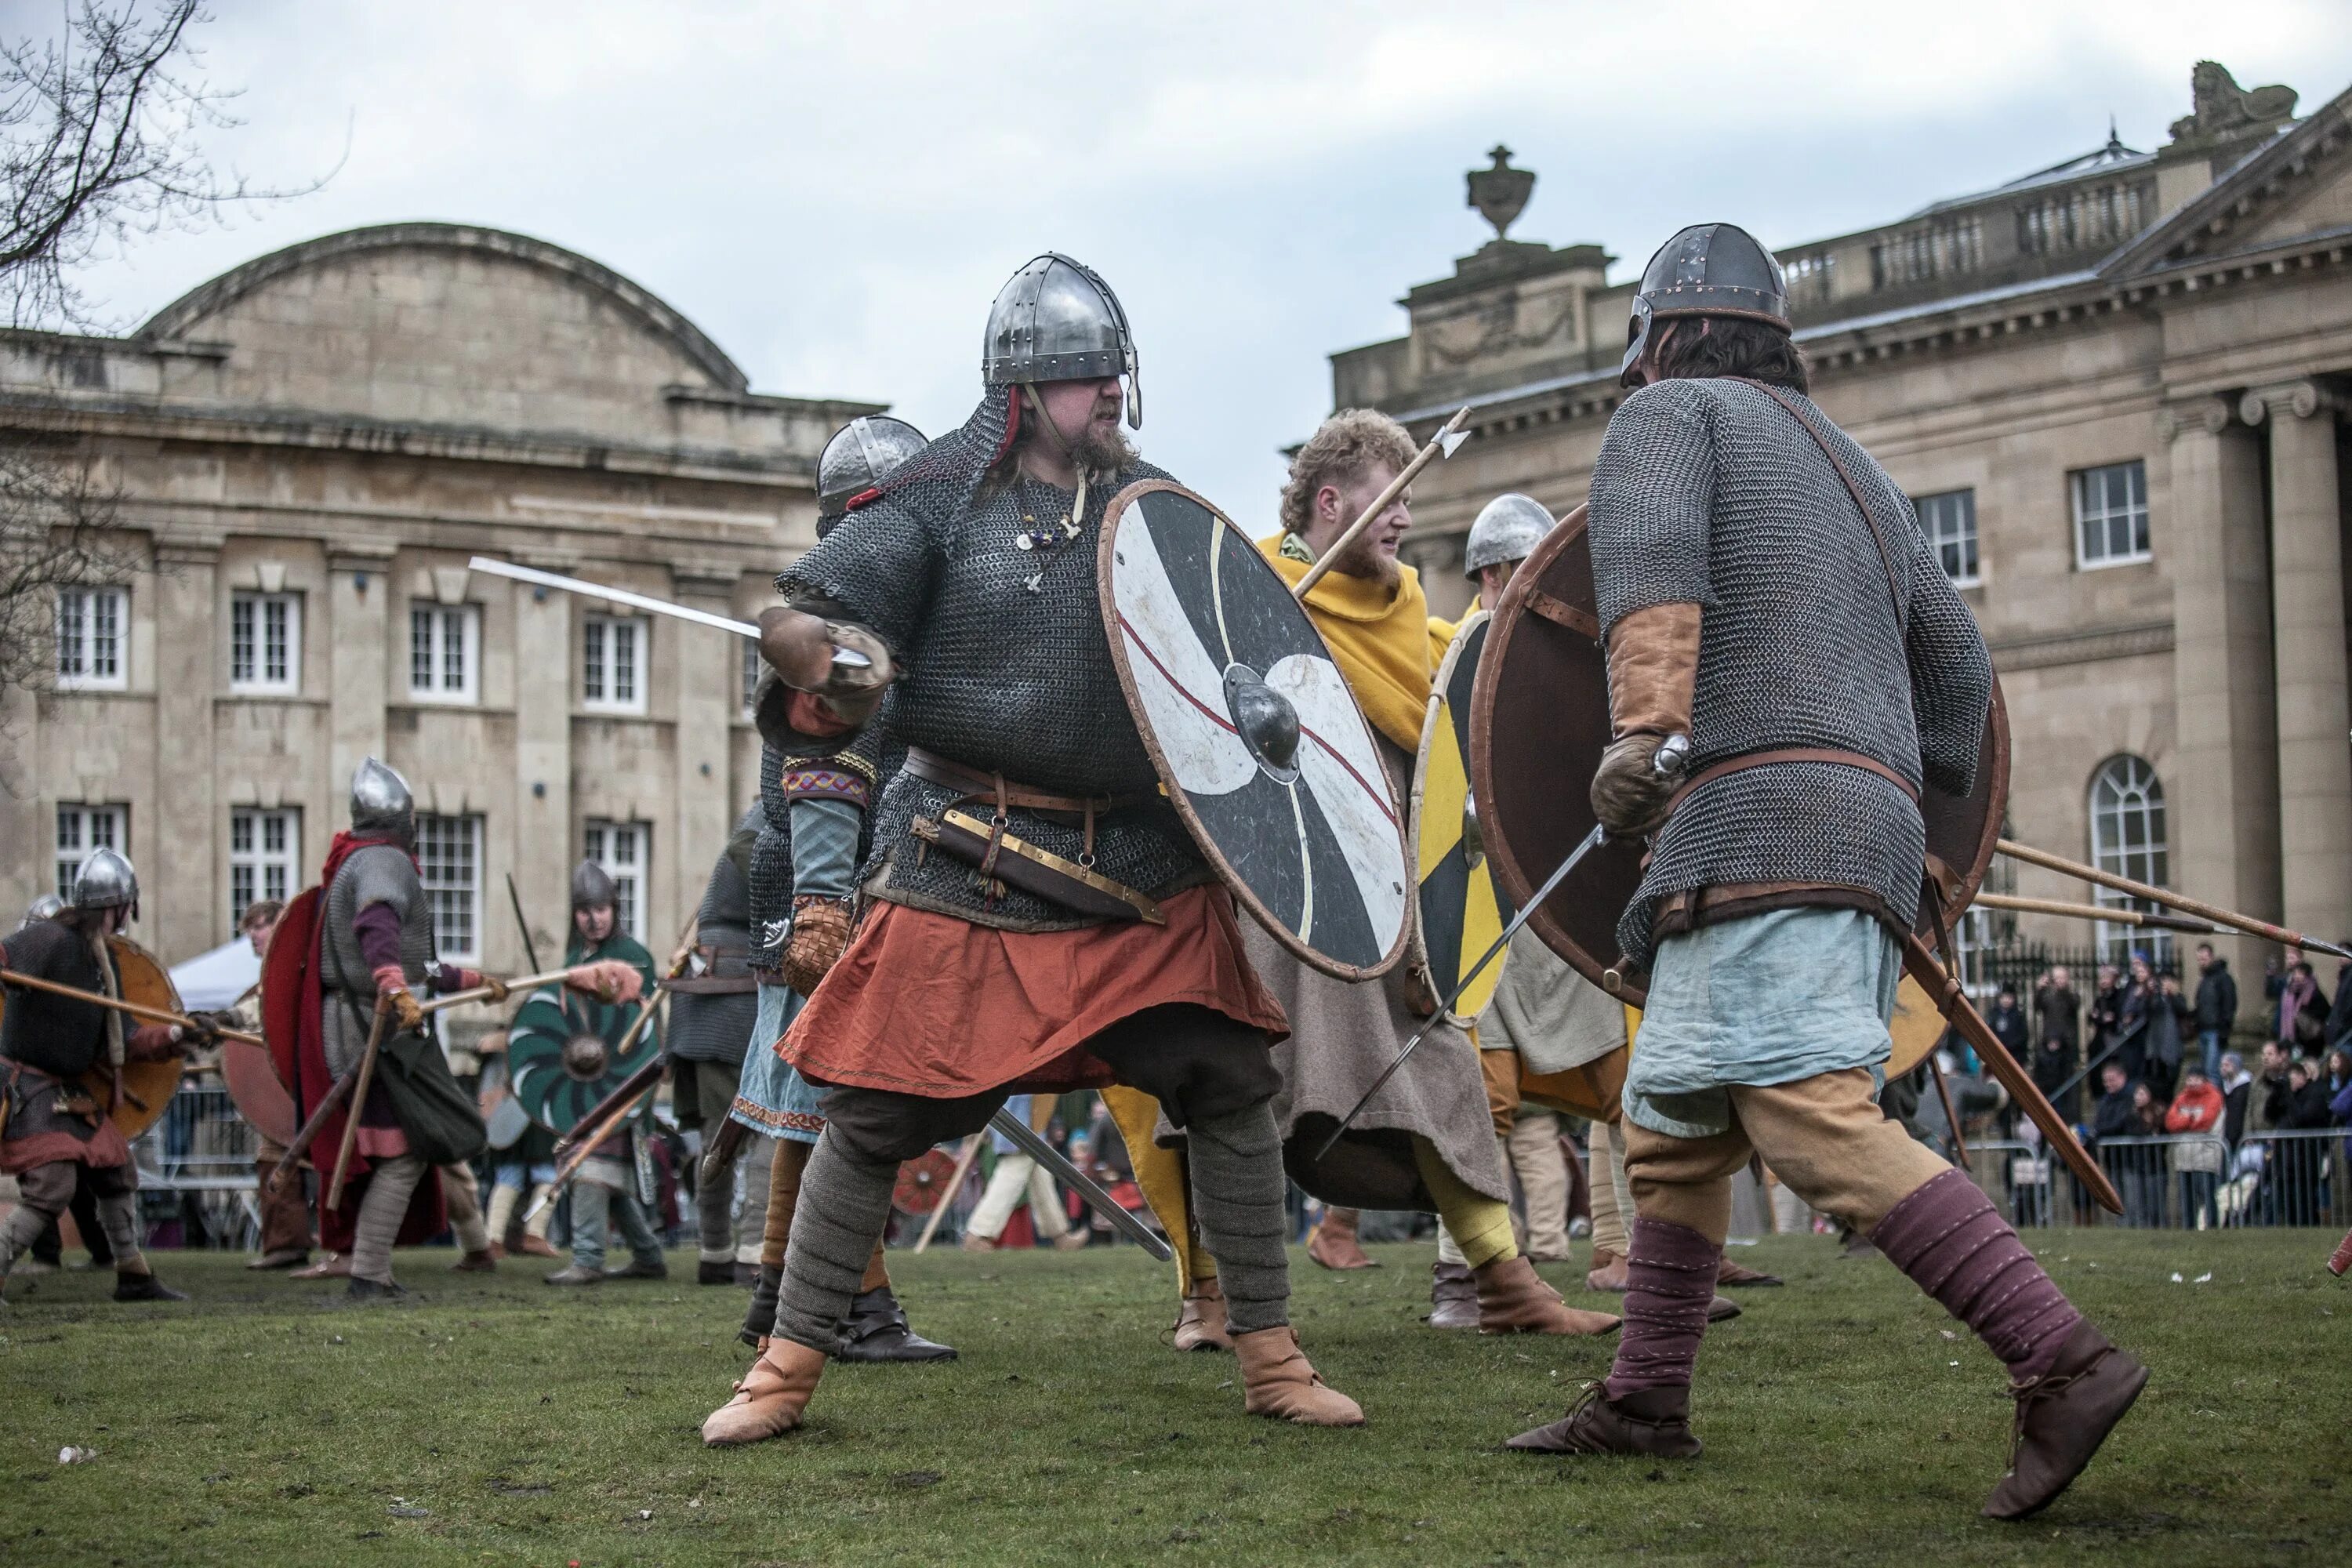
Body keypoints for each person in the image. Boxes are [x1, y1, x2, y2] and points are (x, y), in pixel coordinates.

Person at [1501, 224, 2143, 1522]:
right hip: (1847, 816)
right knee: (1674, 1127)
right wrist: (1900, 796)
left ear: (1661, 341)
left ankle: (2061, 1359)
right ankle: (1646, 1397)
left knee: (1805, 1114)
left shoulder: (1669, 418)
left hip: (1757, 810)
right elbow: (1959, 672)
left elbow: (1658, 570)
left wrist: (1642, 734)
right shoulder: (1855, 466)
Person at [706, 256, 1364, 1447]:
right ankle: (784, 1368)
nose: (1107, 391)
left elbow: (1239, 690)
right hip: (974, 863)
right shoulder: (931, 508)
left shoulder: (1154, 508)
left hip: (1146, 873)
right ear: (1020, 388)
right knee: (867, 1114)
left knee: (1227, 1085)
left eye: (1114, 371)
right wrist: (810, 653)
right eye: (1081, 375)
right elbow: (823, 673)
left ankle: (1268, 1354)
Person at [1208, 418, 1614, 1337]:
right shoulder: (1253, 582)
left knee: (1433, 1053)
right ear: (1330, 501)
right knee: (1232, 1085)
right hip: (1289, 873)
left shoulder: (1411, 617)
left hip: (1388, 881)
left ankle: (1500, 1278)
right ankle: (1215, 1295)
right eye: (1389, 500)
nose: (1402, 521)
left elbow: (1462, 717)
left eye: (1407, 501)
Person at [725, 415, 954, 1365]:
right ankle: (853, 1307)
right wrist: (828, 902)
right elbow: (826, 774)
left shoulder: (854, 615)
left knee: (813, 1109)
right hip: (833, 894)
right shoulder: (839, 628)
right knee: (848, 1111)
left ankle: (780, 1289)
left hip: (823, 886)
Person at [285, 760, 572, 1298]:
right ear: (403, 818)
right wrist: (393, 987)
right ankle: (370, 1273)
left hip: (367, 1025)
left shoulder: (354, 859)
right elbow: (377, 930)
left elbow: (421, 965)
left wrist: (474, 980)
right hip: (373, 1031)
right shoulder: (383, 863)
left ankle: (376, 1269)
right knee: (408, 1146)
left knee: (399, 1147)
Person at [0, 850, 197, 1304]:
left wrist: (175, 1033)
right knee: (53, 1187)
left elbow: (123, 1036)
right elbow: (7, 958)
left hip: (65, 1087)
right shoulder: (51, 938)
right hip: (28, 1086)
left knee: (115, 1169)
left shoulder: (101, 962)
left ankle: (132, 1275)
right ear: (122, 905)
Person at [537, 862, 665, 1287]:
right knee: (601, 1172)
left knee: (592, 1166)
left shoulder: (634, 958)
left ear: (615, 908)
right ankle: (647, 1255)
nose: (594, 919)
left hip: (621, 1081)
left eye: (602, 908)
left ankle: (588, 1258)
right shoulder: (572, 961)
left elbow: (643, 1023)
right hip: (582, 1083)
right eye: (584, 910)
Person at [666, 805, 772, 1287]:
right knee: (771, 1124)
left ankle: (717, 1253)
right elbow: (746, 851)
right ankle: (748, 1252)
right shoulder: (772, 814)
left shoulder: (764, 811)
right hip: (735, 995)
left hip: (719, 992)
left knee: (722, 1136)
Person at [227, 898, 317, 1271]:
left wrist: (230, 1016)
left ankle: (351, 1247)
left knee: (338, 1163)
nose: (252, 934)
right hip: (286, 1090)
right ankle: (286, 1245)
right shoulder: (269, 978)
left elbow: (268, 1009)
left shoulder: (302, 965)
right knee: (273, 1158)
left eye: (260, 925)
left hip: (318, 1083)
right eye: (249, 927)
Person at [962, 1094, 1083, 1251]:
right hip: (1019, 1130)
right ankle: (977, 1234)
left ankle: (1060, 1236)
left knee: (1042, 1182)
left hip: (1031, 1130)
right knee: (1008, 1179)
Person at [2163, 1065, 2225, 1229]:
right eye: (2190, 1078)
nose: (2192, 1082)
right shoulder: (2182, 1097)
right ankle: (2188, 1228)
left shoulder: (2214, 1096)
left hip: (2205, 1155)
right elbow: (2170, 1122)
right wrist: (2189, 1119)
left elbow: (2205, 1122)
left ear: (2204, 1080)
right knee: (2187, 1198)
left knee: (2207, 1195)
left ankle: (2212, 1226)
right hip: (2185, 1157)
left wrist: (2184, 1121)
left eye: (2196, 1078)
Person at [2192, 944, 2237, 1085]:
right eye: (2199, 959)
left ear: (2211, 957)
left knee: (2213, 1072)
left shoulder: (2223, 978)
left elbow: (2229, 1004)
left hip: (2216, 1030)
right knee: (2206, 1071)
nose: (2202, 962)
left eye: (2204, 959)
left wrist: (2224, 1029)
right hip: (2203, 1029)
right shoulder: (2205, 980)